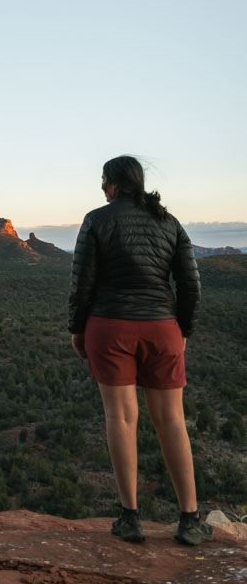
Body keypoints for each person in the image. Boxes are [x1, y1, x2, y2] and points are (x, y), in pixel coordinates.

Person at [68, 155, 214, 546]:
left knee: (121, 418)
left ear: (115, 184)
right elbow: (191, 285)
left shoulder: (96, 220)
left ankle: (130, 519)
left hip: (108, 326)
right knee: (172, 421)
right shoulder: (169, 222)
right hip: (162, 329)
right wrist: (183, 329)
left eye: (103, 180)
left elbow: (82, 283)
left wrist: (77, 328)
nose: (101, 187)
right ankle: (189, 519)